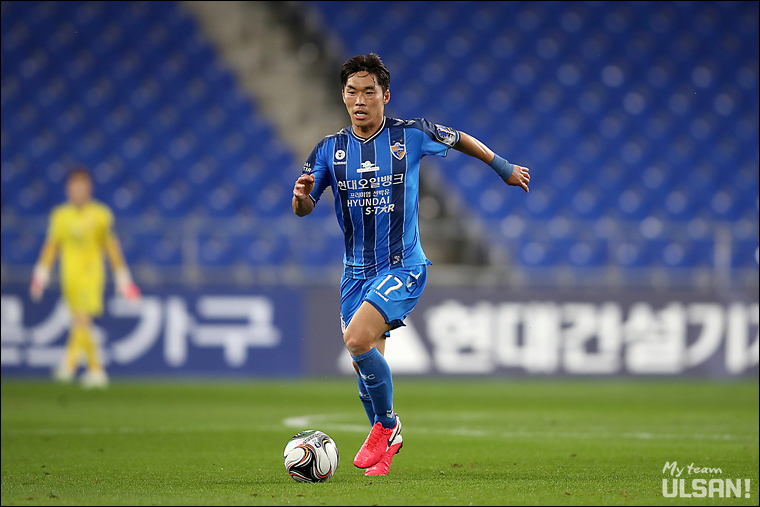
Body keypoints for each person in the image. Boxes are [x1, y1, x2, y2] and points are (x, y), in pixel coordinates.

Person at [291, 53, 530, 476]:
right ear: (343, 96)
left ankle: (387, 425)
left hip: (403, 266)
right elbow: (304, 208)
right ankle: (386, 448)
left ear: (385, 96)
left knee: (357, 340)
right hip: (355, 273)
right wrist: (301, 197)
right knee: (363, 366)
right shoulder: (329, 149)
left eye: (369, 92)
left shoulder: (411, 134)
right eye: (352, 92)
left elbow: (460, 138)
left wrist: (503, 167)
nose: (360, 100)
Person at [30, 167, 141, 389]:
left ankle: (70, 365)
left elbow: (111, 247)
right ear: (68, 189)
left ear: (90, 188)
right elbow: (52, 246)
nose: (79, 191)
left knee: (81, 318)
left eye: (82, 186)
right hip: (69, 276)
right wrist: (41, 274)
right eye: (75, 186)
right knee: (80, 322)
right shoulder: (60, 216)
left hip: (91, 275)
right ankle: (95, 370)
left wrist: (123, 278)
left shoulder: (101, 214)